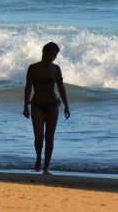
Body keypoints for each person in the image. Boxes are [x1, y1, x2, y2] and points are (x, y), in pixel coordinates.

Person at [23, 42, 70, 174]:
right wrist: (25, 106)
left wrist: (66, 105)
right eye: (51, 54)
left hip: (53, 105)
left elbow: (61, 87)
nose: (53, 57)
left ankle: (46, 167)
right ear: (44, 52)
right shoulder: (33, 68)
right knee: (39, 137)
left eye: (55, 55)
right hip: (37, 105)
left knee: (50, 137)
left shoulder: (56, 69)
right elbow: (28, 87)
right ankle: (38, 158)